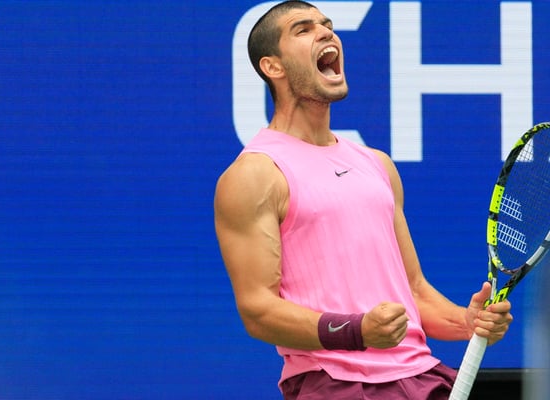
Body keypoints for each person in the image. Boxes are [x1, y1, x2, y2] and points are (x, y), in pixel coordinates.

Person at [214, 1, 513, 398]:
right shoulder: (255, 174)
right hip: (336, 383)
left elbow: (414, 291)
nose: (326, 33)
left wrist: (467, 322)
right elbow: (258, 310)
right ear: (273, 67)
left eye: (327, 25)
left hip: (421, 377)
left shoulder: (377, 165)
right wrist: (357, 331)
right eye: (303, 29)